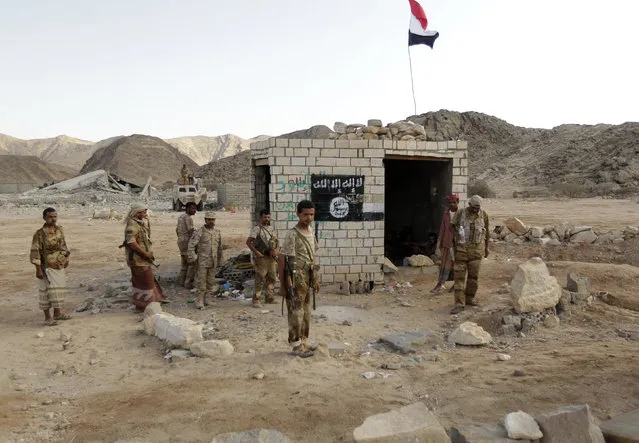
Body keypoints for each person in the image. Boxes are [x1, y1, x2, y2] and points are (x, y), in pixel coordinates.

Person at [278, 200, 320, 358]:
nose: (309, 217)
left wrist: (315, 279)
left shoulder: (310, 231)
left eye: (311, 214)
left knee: (307, 311)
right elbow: (282, 259)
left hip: (307, 277)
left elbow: (313, 257)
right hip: (295, 278)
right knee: (296, 312)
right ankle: (295, 344)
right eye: (305, 214)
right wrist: (282, 285)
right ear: (298, 214)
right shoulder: (292, 234)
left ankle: (304, 340)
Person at [30, 207, 72, 325]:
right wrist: (38, 269)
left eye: (55, 217)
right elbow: (35, 251)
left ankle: (58, 314)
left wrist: (66, 258)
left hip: (59, 265)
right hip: (46, 267)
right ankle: (48, 317)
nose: (53, 219)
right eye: (50, 217)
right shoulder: (40, 234)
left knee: (58, 291)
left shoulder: (60, 230)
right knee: (46, 291)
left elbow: (63, 245)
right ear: (44, 218)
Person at [450, 195, 490, 314]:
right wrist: (456, 236)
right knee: (459, 278)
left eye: (478, 208)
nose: (476, 210)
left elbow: (487, 232)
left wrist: (487, 248)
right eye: (474, 207)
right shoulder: (460, 213)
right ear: (469, 205)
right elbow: (451, 226)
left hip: (476, 252)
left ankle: (469, 298)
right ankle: (458, 303)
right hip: (461, 251)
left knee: (473, 278)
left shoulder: (484, 215)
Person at [123, 203, 165, 310]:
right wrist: (145, 254)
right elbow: (131, 242)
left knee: (145, 279)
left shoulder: (140, 223)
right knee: (145, 279)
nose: (146, 214)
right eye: (144, 212)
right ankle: (145, 305)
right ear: (137, 213)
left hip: (143, 258)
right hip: (137, 259)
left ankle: (150, 302)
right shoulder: (132, 225)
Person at [188, 212, 223, 309]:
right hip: (202, 261)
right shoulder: (200, 232)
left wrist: (220, 260)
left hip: (213, 261)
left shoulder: (217, 232)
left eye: (213, 219)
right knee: (201, 282)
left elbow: (219, 248)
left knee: (210, 282)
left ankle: (208, 299)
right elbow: (191, 246)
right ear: (205, 220)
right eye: (209, 219)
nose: (211, 221)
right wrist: (194, 258)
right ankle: (199, 301)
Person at [246, 209, 279, 308]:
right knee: (260, 278)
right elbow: (248, 242)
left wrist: (276, 251)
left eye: (268, 217)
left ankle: (269, 297)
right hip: (262, 258)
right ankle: (256, 299)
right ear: (261, 218)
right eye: (265, 217)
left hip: (271, 258)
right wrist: (256, 252)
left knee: (272, 278)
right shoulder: (257, 229)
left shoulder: (271, 229)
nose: (267, 219)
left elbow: (276, 242)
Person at [431, 194, 460, 293]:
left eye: (454, 202)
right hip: (447, 243)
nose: (452, 204)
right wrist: (440, 241)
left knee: (456, 264)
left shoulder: (461, 214)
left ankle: (456, 284)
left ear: (457, 202)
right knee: (444, 264)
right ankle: (440, 283)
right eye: (450, 203)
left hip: (457, 244)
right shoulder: (446, 214)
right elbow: (442, 229)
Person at [176, 202, 197, 288]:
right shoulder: (188, 218)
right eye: (192, 208)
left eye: (195, 208)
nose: (194, 210)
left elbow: (177, 230)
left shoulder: (181, 217)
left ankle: (181, 281)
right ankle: (188, 283)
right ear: (187, 209)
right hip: (186, 241)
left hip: (180, 241)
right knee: (192, 263)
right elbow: (191, 231)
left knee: (184, 263)